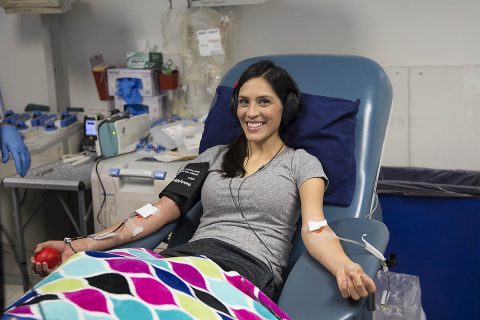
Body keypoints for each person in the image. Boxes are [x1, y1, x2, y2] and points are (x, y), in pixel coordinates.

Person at [31, 60, 375, 301]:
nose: (251, 113)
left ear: (286, 108)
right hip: (186, 259)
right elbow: (156, 211)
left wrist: (344, 266)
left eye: (264, 102)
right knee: (81, 290)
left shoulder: (303, 163)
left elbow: (316, 230)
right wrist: (82, 243)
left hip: (246, 272)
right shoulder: (211, 158)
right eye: (243, 102)